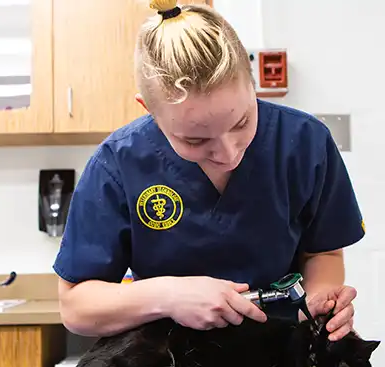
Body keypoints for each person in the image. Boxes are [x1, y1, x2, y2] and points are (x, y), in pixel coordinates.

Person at [53, 0, 365, 343]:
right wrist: (168, 296)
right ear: (149, 111)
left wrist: (321, 299)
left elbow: (324, 251)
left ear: (253, 84)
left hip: (278, 360)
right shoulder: (118, 165)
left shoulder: (305, 143)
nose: (229, 154)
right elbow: (76, 306)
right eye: (196, 140)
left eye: (242, 122)